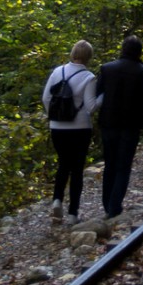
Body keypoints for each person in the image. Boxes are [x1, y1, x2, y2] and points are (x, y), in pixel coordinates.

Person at [42, 40, 102, 222]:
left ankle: (57, 200)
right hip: (80, 128)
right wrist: (103, 98)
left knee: (63, 164)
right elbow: (91, 107)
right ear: (88, 57)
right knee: (76, 169)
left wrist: (55, 117)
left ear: (72, 53)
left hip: (57, 128)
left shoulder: (57, 72)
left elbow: (46, 98)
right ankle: (73, 213)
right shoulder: (89, 77)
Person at [96, 34, 143, 218]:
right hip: (131, 125)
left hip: (108, 124)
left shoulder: (107, 69)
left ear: (122, 48)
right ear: (139, 52)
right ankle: (114, 206)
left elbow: (98, 95)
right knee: (123, 166)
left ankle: (108, 206)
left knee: (110, 164)